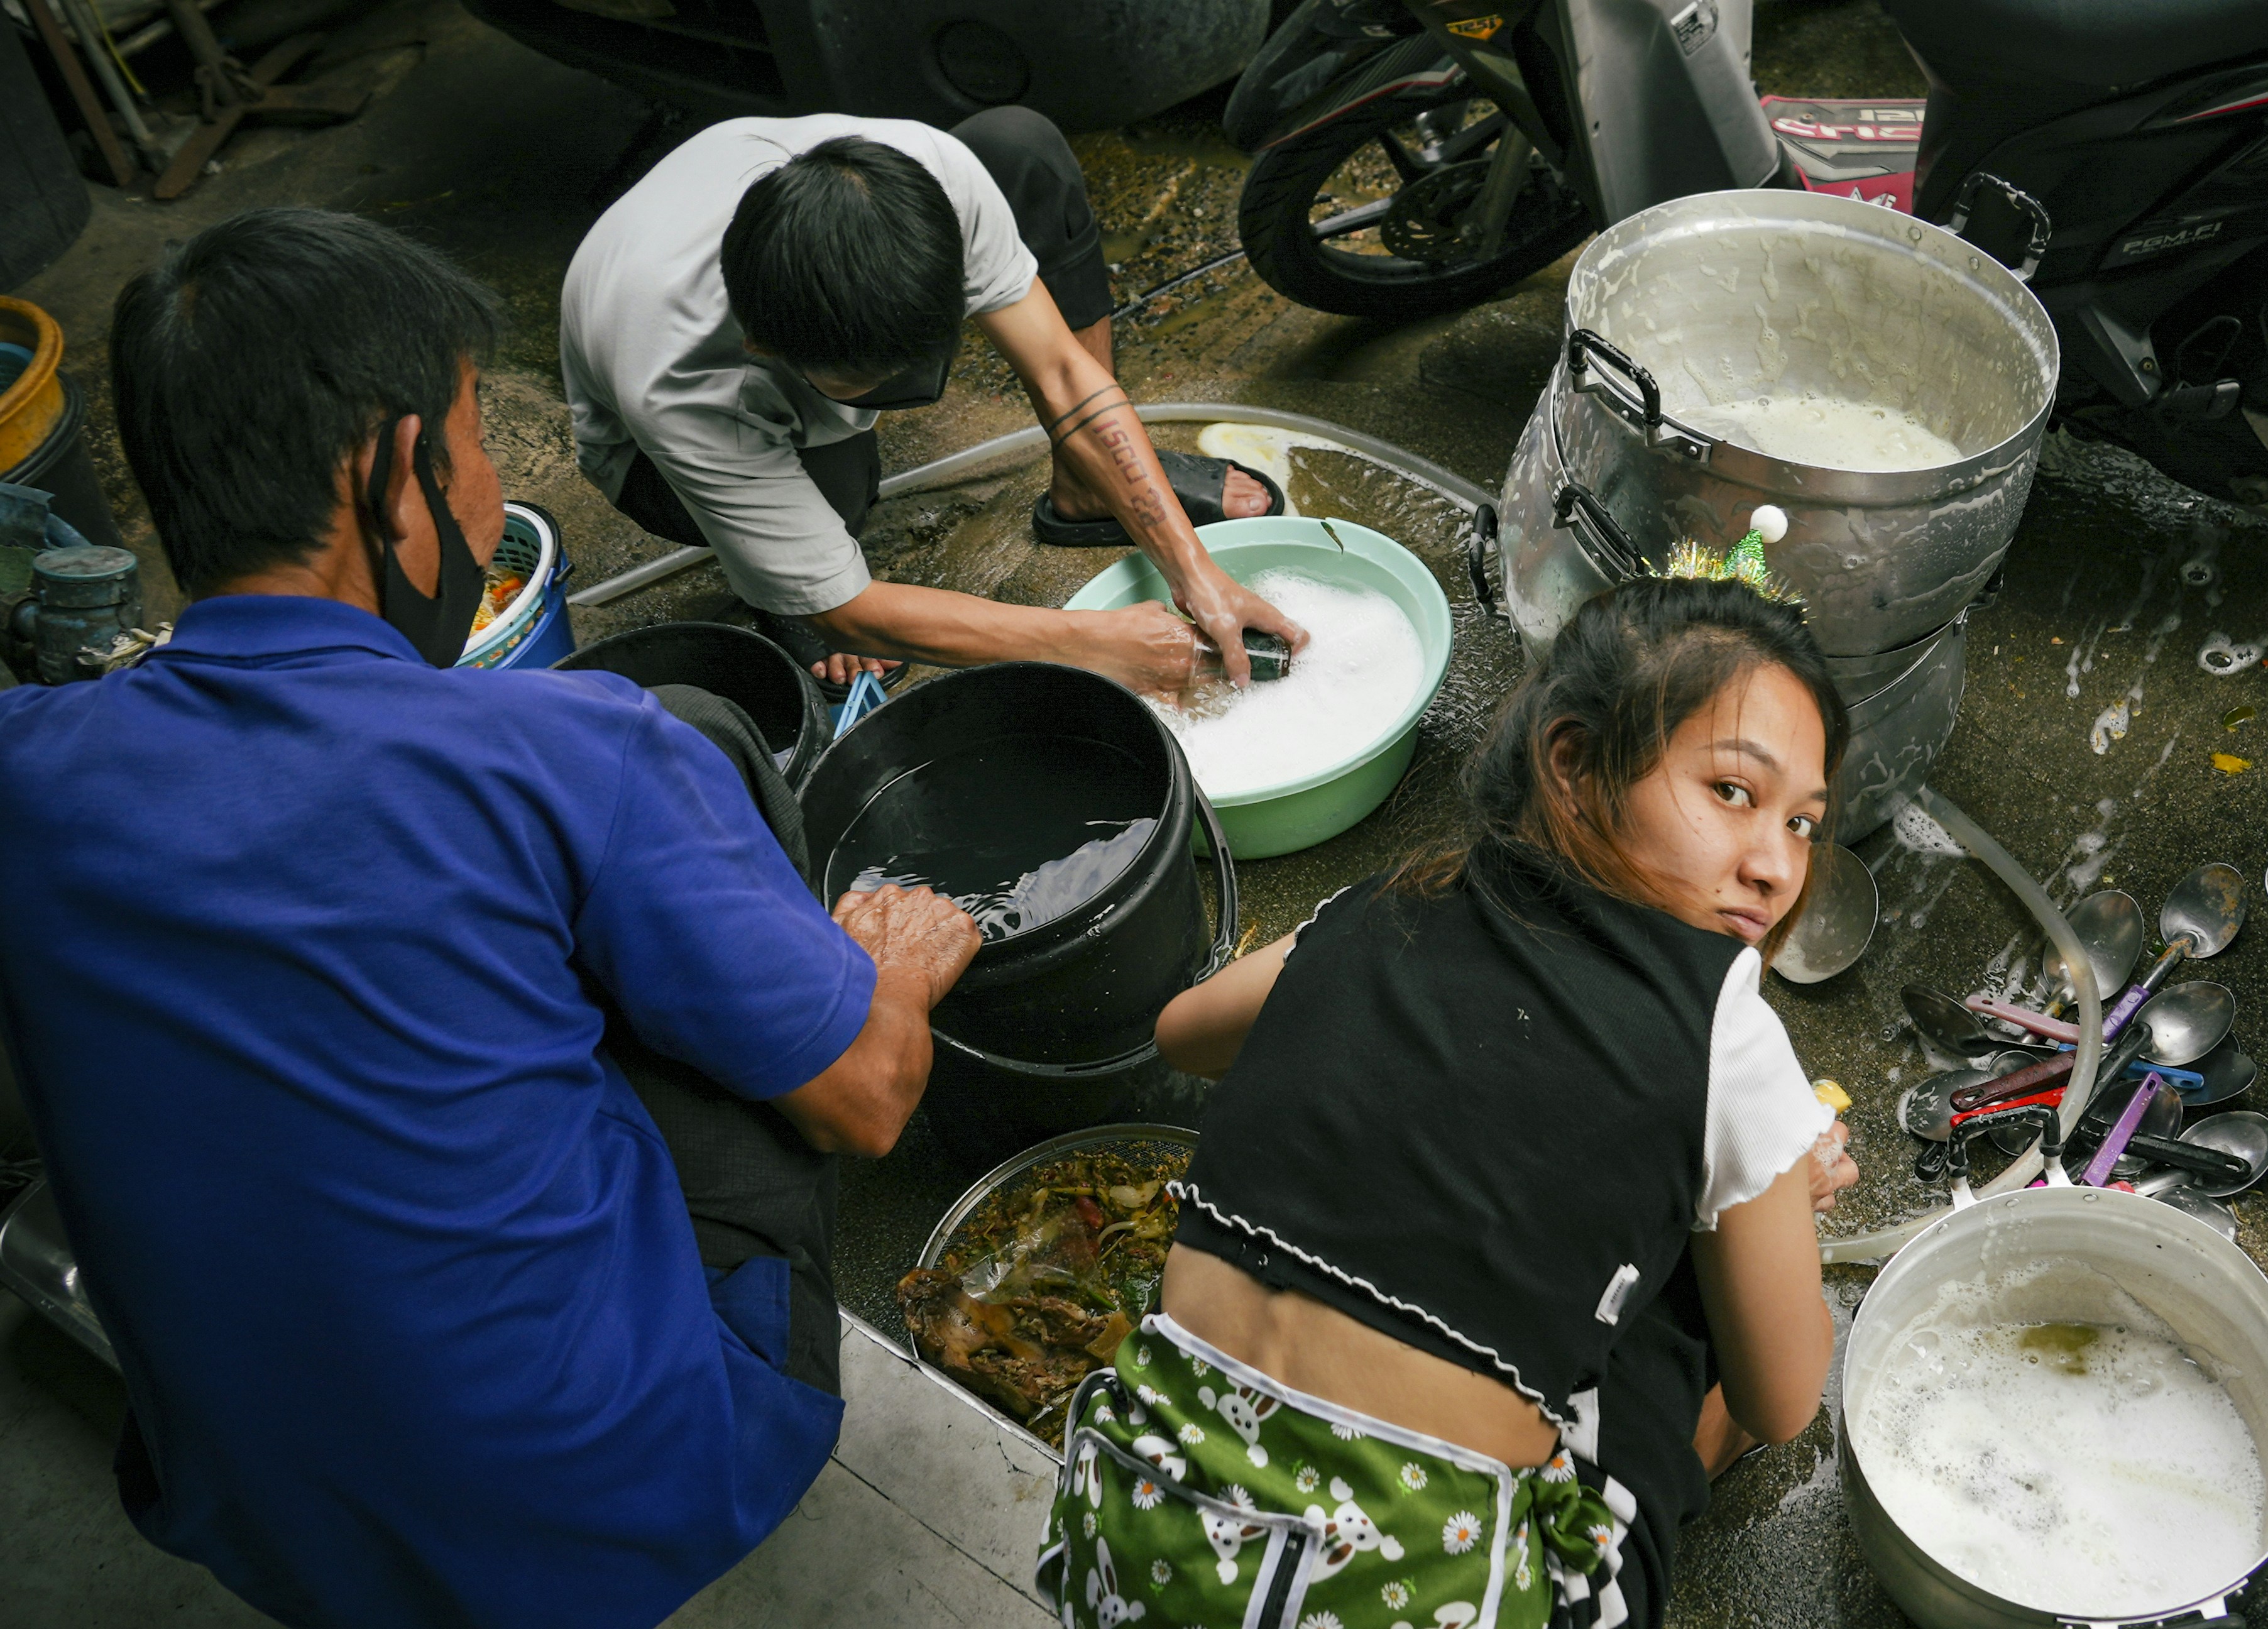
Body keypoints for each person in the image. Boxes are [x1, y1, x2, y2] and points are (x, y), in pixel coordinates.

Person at [0, 207, 978, 1628]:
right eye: (470, 449)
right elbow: (874, 1103)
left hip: (264, 1527)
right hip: (626, 1501)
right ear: (394, 479)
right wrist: (878, 971)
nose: (487, 494)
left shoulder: (27, 770)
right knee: (716, 771)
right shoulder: (573, 749)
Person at [1034, 575, 1859, 1628]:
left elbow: (1185, 1033)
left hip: (1130, 1542)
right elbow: (1782, 1401)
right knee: (1676, 1320)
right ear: (1571, 763)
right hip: (1401, 1596)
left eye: (1802, 821)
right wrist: (1775, 1185)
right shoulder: (1722, 1021)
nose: (1775, 864)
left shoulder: (1393, 903)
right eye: (1733, 793)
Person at [561, 109, 1301, 698]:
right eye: (873, 379)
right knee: (841, 504)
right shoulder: (677, 376)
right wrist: (1089, 640)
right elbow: (845, 609)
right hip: (642, 456)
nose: (922, 388)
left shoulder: (928, 172)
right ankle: (780, 577)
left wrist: (1195, 571)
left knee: (1020, 146)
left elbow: (1063, 374)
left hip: (757, 261)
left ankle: (1084, 487)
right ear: (764, 345)